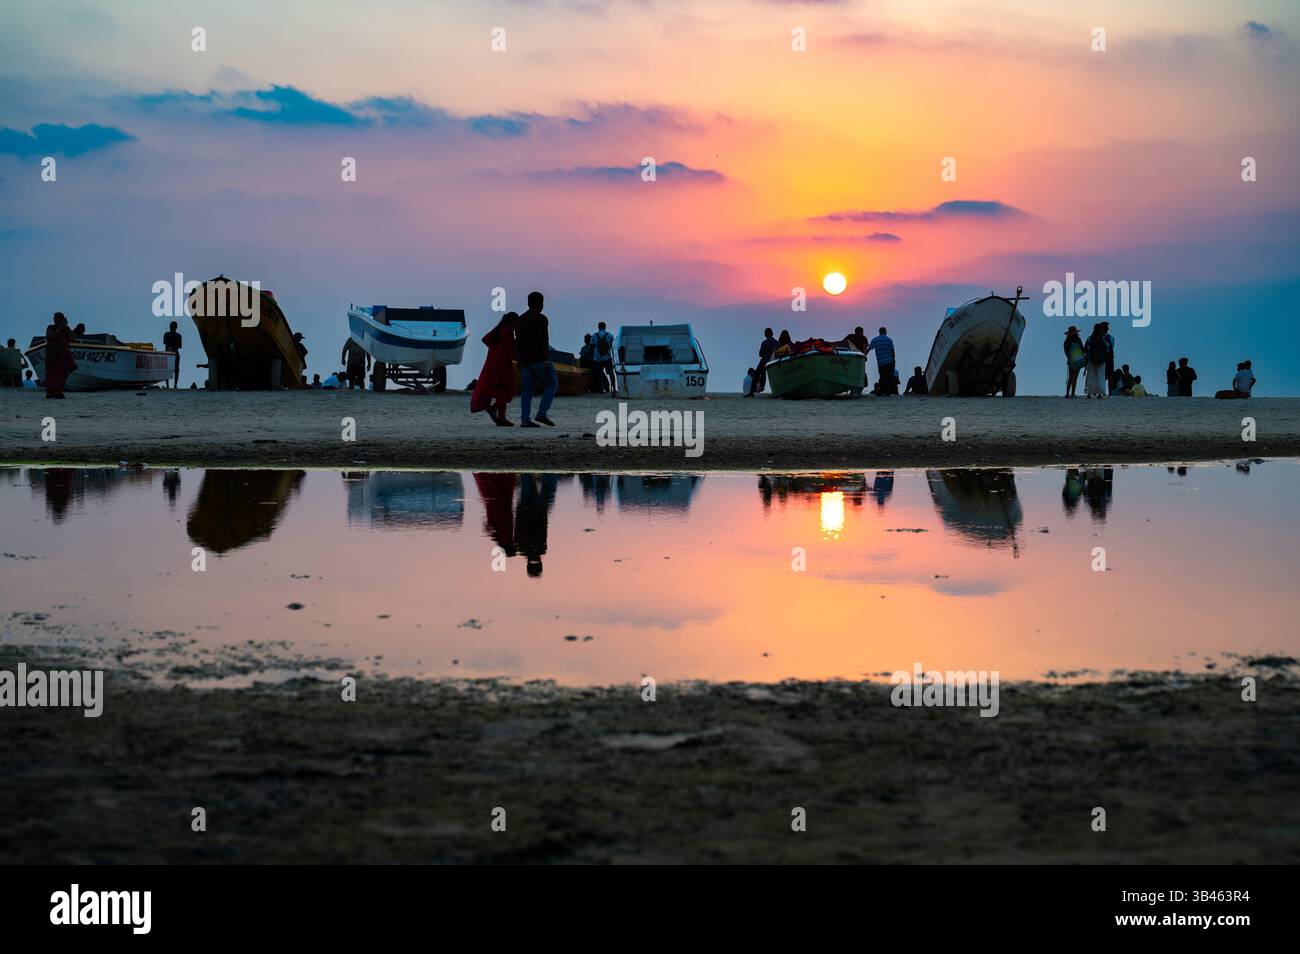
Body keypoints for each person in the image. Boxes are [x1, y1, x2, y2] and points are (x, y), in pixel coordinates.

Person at [516, 291, 557, 427]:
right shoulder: (541, 319)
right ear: (541, 303)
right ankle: (541, 413)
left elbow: (518, 341)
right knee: (552, 383)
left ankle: (524, 419)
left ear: (528, 303)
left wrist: (519, 360)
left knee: (527, 390)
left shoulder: (520, 319)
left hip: (524, 360)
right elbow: (544, 340)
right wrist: (546, 359)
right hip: (539, 359)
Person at [470, 311, 518, 426]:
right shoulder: (508, 331)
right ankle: (500, 416)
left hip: (495, 363)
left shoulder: (499, 329)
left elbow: (485, 339)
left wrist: (495, 350)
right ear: (513, 321)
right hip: (503, 365)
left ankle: (499, 415)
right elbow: (510, 350)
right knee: (506, 390)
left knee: (500, 390)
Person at [42, 312, 75, 399]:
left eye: (55, 318)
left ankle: (58, 391)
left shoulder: (66, 329)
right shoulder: (51, 327)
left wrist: (66, 327)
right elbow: (49, 336)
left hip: (62, 354)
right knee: (51, 373)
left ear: (60, 319)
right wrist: (59, 329)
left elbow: (73, 338)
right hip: (52, 354)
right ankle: (50, 392)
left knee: (61, 374)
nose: (54, 319)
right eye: (54, 317)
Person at [867, 326, 897, 395]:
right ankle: (888, 392)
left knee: (882, 377)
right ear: (885, 332)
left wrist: (865, 356)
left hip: (881, 362)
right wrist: (894, 359)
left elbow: (869, 348)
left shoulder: (875, 339)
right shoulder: (889, 339)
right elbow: (892, 350)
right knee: (889, 377)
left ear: (879, 332)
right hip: (889, 361)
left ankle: (882, 391)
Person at [746, 328, 777, 396]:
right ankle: (762, 386)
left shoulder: (764, 342)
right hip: (773, 362)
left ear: (765, 334)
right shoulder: (776, 342)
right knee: (763, 373)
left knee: (756, 375)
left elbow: (760, 354)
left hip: (764, 361)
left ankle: (752, 392)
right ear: (772, 333)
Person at [1083, 323, 1108, 398]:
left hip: (1092, 359)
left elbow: (1085, 349)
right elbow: (1106, 348)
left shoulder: (1090, 338)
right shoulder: (1103, 338)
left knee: (1091, 376)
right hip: (1101, 360)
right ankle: (1100, 393)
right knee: (1100, 376)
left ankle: (1089, 393)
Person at [592, 321, 616, 393]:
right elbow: (613, 346)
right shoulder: (610, 335)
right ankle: (614, 388)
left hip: (598, 358)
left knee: (599, 373)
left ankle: (601, 389)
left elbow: (592, 345)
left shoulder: (594, 335)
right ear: (605, 327)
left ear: (598, 327)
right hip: (607, 357)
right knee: (611, 372)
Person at [1063, 326, 1085, 397]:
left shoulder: (1066, 341)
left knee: (1070, 377)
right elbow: (1082, 349)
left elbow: (1066, 352)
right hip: (1078, 360)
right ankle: (1072, 393)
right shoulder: (1078, 339)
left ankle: (1067, 393)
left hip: (1070, 360)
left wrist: (1069, 358)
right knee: (1075, 377)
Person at [162, 321, 183, 388]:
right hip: (175, 351)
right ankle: (174, 385)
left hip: (168, 351)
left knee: (168, 369)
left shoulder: (166, 334)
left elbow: (164, 343)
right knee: (176, 369)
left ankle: (169, 385)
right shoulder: (178, 335)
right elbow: (180, 346)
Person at [1100, 321, 1115, 394]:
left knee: (1102, 376)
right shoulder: (1111, 338)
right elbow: (1113, 346)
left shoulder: (1099, 338)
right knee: (1110, 376)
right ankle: (1110, 392)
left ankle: (1102, 391)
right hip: (1110, 358)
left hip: (1102, 358)